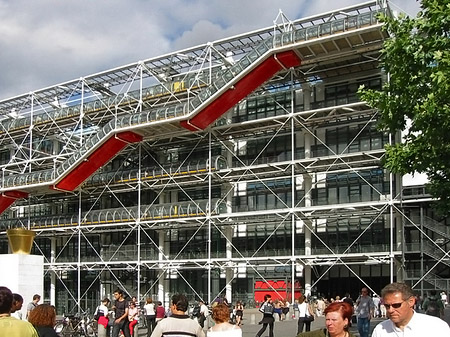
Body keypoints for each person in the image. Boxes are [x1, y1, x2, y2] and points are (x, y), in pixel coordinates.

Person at [372, 282, 450, 336]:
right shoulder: (380, 330)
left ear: (411, 302)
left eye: (396, 305)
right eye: (387, 306)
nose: (390, 310)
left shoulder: (435, 327)